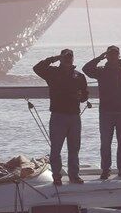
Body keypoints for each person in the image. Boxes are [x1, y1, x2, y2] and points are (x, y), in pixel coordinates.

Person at [34, 48, 88, 185]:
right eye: (65, 57)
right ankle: (57, 176)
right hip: (58, 115)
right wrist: (55, 58)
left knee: (74, 149)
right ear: (61, 59)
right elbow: (37, 68)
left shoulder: (79, 76)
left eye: (70, 57)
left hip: (74, 116)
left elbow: (85, 96)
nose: (68, 59)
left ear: (73, 59)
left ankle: (74, 175)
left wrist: (81, 96)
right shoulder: (52, 72)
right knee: (56, 149)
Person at [82, 45, 121, 180]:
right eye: (110, 54)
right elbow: (86, 69)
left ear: (119, 55)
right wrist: (99, 58)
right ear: (107, 56)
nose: (113, 56)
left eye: (115, 54)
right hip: (106, 112)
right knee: (105, 143)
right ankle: (106, 170)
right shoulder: (101, 71)